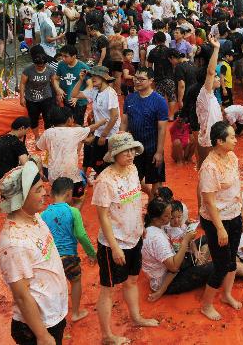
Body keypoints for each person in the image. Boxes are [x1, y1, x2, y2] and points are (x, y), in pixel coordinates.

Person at [92, 133, 158, 343]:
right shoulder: (105, 180)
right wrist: (114, 247)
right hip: (114, 243)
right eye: (125, 151)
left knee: (132, 281)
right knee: (108, 291)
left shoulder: (133, 170)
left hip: (134, 237)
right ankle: (107, 336)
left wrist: (140, 225)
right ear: (114, 154)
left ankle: (136, 317)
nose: (130, 154)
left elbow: (136, 200)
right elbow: (102, 216)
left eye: (132, 150)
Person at [0, 161, 69, 345]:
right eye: (38, 190)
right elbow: (21, 295)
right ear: (20, 199)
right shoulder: (14, 244)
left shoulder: (34, 217)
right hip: (37, 326)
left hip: (51, 313)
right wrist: (43, 336)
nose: (45, 193)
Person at [198, 121, 243, 321]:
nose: (235, 140)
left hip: (234, 213)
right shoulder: (209, 167)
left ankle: (226, 295)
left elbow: (237, 183)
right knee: (220, 265)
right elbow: (208, 201)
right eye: (232, 137)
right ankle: (206, 305)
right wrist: (219, 228)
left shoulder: (231, 156)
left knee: (232, 260)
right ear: (219, 141)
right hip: (217, 220)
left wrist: (241, 206)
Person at [41, 177, 97, 322]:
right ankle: (76, 313)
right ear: (68, 193)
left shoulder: (43, 215)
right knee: (76, 281)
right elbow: (81, 235)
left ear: (52, 193)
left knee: (54, 286)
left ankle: (55, 314)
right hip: (69, 257)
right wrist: (92, 253)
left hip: (51, 259)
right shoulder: (73, 212)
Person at [142, 198, 211, 301]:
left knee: (207, 238)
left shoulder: (156, 226)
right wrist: (185, 240)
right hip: (167, 280)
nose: (170, 217)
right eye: (167, 215)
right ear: (156, 219)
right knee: (217, 267)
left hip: (173, 263)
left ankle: (197, 263)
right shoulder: (158, 239)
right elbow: (174, 268)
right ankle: (198, 266)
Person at [37, 107, 106, 207]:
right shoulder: (74, 131)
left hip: (54, 174)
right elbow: (91, 128)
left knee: (59, 199)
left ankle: (61, 216)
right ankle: (74, 216)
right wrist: (102, 121)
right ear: (69, 120)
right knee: (78, 198)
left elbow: (38, 147)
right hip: (71, 173)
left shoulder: (48, 133)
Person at [121, 66, 169, 197]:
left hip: (152, 147)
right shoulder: (130, 98)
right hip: (134, 148)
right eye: (136, 78)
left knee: (156, 183)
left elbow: (162, 128)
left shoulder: (159, 101)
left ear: (151, 80)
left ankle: (153, 212)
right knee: (131, 180)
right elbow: (124, 122)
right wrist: (120, 145)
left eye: (141, 79)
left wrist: (159, 152)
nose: (137, 81)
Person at [71, 66, 121, 177]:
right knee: (98, 162)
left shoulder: (110, 93)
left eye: (95, 76)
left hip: (109, 135)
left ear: (103, 78)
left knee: (106, 163)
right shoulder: (94, 91)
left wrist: (104, 135)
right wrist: (81, 80)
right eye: (92, 76)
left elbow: (114, 116)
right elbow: (74, 95)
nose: (92, 78)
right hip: (99, 132)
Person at [196, 38, 224, 170]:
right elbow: (211, 72)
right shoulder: (205, 94)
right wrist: (216, 49)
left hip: (213, 137)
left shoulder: (211, 96)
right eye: (216, 78)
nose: (218, 78)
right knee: (206, 170)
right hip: (208, 139)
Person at [19, 50, 61, 129]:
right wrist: (22, 97)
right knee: (33, 119)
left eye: (43, 66)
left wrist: (58, 93)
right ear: (34, 64)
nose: (41, 68)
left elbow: (54, 81)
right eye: (38, 66)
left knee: (48, 118)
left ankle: (47, 135)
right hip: (31, 98)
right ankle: (37, 136)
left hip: (46, 97)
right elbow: (22, 83)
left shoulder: (50, 69)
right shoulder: (28, 70)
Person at [0, 117, 32, 189]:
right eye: (27, 130)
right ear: (22, 128)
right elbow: (27, 166)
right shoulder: (17, 143)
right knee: (35, 161)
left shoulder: (0, 139)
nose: (27, 132)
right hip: (5, 182)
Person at [55, 45, 90, 125]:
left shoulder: (83, 67)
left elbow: (90, 86)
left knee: (78, 124)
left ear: (74, 56)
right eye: (62, 56)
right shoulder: (61, 65)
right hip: (66, 99)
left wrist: (78, 96)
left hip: (80, 102)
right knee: (67, 122)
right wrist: (58, 89)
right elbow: (56, 79)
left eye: (65, 56)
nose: (63, 58)